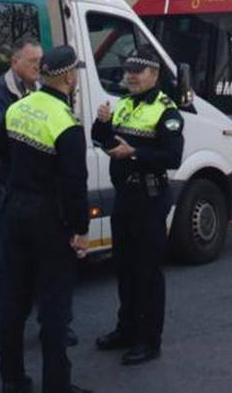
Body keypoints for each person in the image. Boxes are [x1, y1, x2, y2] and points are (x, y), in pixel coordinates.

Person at [0, 45, 92, 393]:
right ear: (67, 76)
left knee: (14, 301)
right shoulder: (66, 122)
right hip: (49, 221)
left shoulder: (17, 108)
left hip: (14, 212)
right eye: (75, 71)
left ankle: (13, 380)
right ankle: (57, 386)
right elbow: (74, 184)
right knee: (54, 309)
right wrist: (80, 229)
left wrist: (16, 188)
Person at [92, 47, 185, 366]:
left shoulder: (166, 111)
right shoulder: (125, 104)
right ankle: (126, 329)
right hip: (125, 200)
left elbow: (173, 157)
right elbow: (104, 141)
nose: (130, 75)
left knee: (147, 272)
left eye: (138, 70)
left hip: (149, 199)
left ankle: (149, 340)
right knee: (125, 269)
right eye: (128, 69)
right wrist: (102, 125)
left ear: (154, 75)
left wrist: (134, 153)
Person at [0, 37, 58, 353]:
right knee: (5, 264)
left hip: (31, 192)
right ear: (14, 63)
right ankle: (4, 335)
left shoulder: (39, 90)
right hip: (2, 192)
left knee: (42, 263)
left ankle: (50, 330)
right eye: (31, 62)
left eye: (40, 61)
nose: (38, 67)